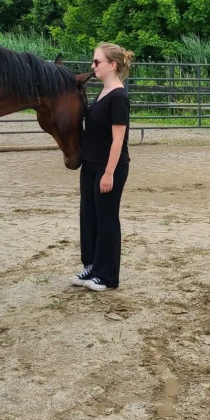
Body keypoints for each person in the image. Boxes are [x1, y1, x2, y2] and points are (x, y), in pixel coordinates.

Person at [71, 43, 133, 292]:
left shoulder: (119, 96)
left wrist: (108, 173)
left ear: (113, 65)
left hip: (111, 167)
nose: (93, 66)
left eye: (97, 62)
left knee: (106, 218)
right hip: (91, 164)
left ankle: (107, 276)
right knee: (89, 216)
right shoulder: (103, 93)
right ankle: (92, 265)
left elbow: (118, 140)